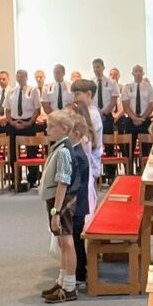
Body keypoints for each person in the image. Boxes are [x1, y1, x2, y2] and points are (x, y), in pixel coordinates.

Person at [38, 110, 79, 303]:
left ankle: (69, 287)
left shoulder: (63, 151)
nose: (47, 130)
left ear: (64, 128)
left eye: (51, 126)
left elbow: (63, 183)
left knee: (67, 242)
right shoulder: (58, 147)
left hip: (61, 202)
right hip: (56, 201)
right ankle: (62, 281)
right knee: (62, 242)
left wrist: (56, 211)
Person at [65, 109, 94, 288]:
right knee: (75, 238)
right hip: (77, 203)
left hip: (76, 204)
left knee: (76, 240)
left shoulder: (77, 155)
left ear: (75, 133)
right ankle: (78, 271)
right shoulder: (74, 151)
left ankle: (80, 274)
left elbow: (73, 184)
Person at [3, 69, 42, 190]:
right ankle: (16, 178)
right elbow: (7, 110)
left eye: (22, 76)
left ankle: (32, 179)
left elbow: (37, 109)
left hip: (28, 123)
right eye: (18, 76)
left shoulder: (33, 91)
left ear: (26, 77)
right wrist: (12, 122)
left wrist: (29, 122)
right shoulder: (11, 92)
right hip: (14, 123)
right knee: (13, 152)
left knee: (32, 151)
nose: (20, 78)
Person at [70, 82, 103, 219]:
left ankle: (90, 221)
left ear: (89, 94)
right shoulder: (87, 111)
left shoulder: (92, 114)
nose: (75, 98)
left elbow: (88, 139)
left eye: (78, 94)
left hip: (90, 158)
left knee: (88, 194)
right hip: (87, 159)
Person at [119, 65, 153, 161]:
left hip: (145, 119)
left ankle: (143, 168)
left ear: (143, 73)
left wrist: (142, 118)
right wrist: (134, 118)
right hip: (131, 120)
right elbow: (125, 105)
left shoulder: (149, 87)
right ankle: (129, 168)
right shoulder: (127, 87)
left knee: (146, 149)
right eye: (136, 71)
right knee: (128, 149)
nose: (138, 73)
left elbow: (152, 104)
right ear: (132, 73)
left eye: (140, 71)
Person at [91, 58, 120, 182]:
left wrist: (105, 112)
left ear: (103, 68)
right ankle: (96, 174)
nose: (96, 69)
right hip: (94, 116)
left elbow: (114, 100)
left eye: (98, 67)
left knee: (109, 145)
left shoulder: (111, 83)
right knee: (94, 145)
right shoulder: (91, 83)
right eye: (94, 67)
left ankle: (110, 174)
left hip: (107, 116)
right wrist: (96, 113)